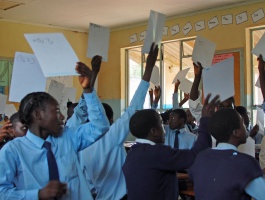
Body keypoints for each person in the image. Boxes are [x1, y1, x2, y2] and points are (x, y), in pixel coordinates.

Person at [0, 61, 110, 199]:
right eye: (56, 111)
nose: (62, 116)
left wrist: (88, 90)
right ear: (38, 115)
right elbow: (2, 191)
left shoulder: (67, 137)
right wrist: (38, 195)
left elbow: (100, 126)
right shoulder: (14, 151)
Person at [67, 43, 159, 200]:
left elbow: (83, 108)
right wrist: (148, 68)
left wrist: (93, 76)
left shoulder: (77, 141)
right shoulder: (111, 136)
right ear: (110, 120)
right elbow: (133, 108)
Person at [122, 93, 220, 200]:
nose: (165, 130)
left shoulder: (132, 153)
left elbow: (155, 182)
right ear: (154, 131)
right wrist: (205, 120)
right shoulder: (157, 153)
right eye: (161, 125)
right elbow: (195, 154)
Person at [189, 108, 265, 200]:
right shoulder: (245, 162)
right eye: (243, 124)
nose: (245, 126)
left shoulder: (201, 157)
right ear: (236, 132)